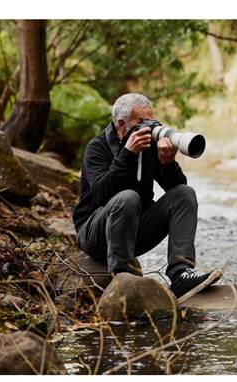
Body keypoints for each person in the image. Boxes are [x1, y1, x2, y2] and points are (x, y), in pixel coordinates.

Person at [72, 93, 220, 299]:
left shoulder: (149, 147)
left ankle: (180, 274)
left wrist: (168, 163)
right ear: (122, 125)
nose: (148, 126)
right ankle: (122, 278)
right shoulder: (97, 148)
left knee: (185, 194)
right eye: (141, 121)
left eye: (151, 120)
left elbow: (176, 191)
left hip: (134, 230)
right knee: (128, 197)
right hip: (95, 234)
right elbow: (100, 195)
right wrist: (127, 155)